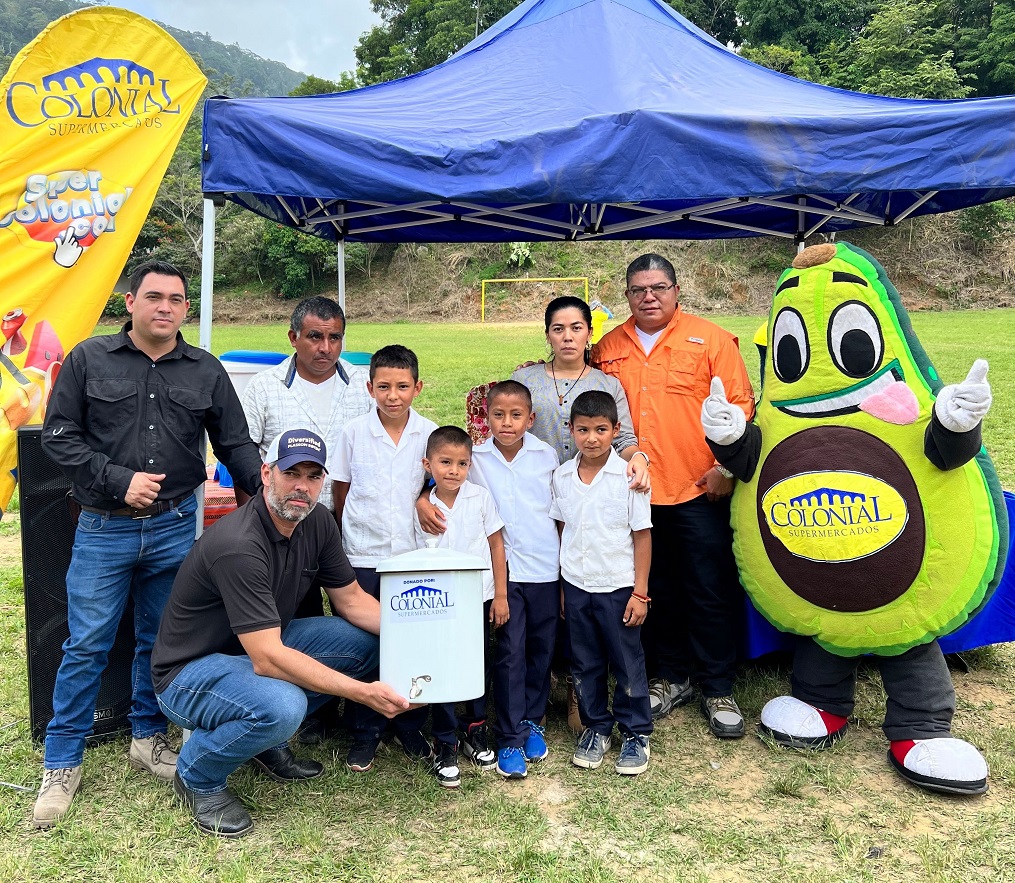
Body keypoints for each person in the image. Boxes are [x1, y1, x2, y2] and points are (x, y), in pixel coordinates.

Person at [33, 260, 265, 829]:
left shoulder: (205, 369)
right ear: (130, 302)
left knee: (159, 640)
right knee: (86, 644)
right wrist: (118, 479)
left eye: (177, 300)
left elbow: (234, 442)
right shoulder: (90, 359)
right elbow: (59, 435)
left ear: (187, 309)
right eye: (154, 297)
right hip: (103, 526)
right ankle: (62, 762)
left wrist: (266, 506)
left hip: (175, 527)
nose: (166, 307)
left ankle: (147, 736)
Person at [151, 430, 409, 837]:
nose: (301, 487)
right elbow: (268, 658)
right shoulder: (239, 544)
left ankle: (260, 737)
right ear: (267, 474)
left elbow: (353, 601)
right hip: (189, 674)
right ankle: (198, 774)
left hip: (254, 651)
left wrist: (418, 637)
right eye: (291, 474)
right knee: (284, 705)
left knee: (369, 645)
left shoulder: (318, 522)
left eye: (313, 476)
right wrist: (361, 693)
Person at [593, 253, 756, 739]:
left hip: (694, 487)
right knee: (651, 588)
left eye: (659, 287)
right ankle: (671, 677)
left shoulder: (712, 340)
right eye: (639, 289)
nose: (649, 296)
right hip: (632, 494)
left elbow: (742, 407)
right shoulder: (608, 347)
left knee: (707, 588)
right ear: (626, 296)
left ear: (677, 291)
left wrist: (725, 467)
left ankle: (717, 686)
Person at [332, 344, 438, 773]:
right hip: (364, 554)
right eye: (384, 386)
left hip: (410, 558)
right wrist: (346, 535)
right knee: (366, 645)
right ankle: (365, 730)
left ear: (417, 387)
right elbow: (341, 490)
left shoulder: (428, 433)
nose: (393, 395)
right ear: (369, 387)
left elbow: (434, 484)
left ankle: (409, 725)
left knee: (412, 642)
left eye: (402, 386)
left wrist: (425, 496)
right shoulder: (353, 432)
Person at [549, 391, 653, 775]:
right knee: (585, 661)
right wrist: (562, 587)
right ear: (571, 430)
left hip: (618, 586)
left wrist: (640, 593)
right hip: (577, 584)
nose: (591, 438)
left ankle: (636, 731)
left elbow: (642, 536)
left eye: (600, 430)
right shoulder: (561, 476)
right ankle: (596, 726)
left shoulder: (629, 479)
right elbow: (562, 529)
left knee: (627, 661)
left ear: (616, 430)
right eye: (583, 430)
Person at [468, 380, 560, 780]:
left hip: (544, 568)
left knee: (542, 649)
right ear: (485, 417)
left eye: (516, 415)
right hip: (501, 576)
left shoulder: (547, 456)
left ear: (531, 419)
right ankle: (507, 735)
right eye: (498, 415)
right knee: (509, 653)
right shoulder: (475, 459)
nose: (507, 423)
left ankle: (532, 720)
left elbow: (558, 514)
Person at [412, 425, 508, 787]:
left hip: (478, 597)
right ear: (428, 464)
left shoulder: (480, 498)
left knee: (476, 665)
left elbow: (497, 546)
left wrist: (500, 595)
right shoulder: (423, 506)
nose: (453, 470)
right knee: (442, 668)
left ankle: (475, 729)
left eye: (462, 463)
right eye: (445, 462)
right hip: (438, 604)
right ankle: (445, 740)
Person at [239, 295, 371, 516]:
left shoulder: (364, 385)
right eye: (315, 337)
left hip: (350, 519)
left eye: (335, 338)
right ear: (293, 337)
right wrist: (249, 519)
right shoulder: (264, 386)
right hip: (284, 519)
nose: (326, 348)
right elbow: (244, 455)